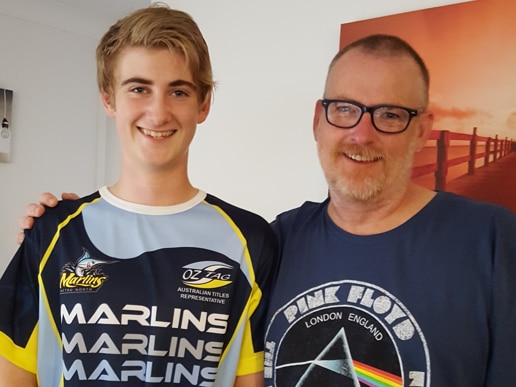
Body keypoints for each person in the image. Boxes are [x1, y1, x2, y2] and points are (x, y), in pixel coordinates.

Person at [13, 34, 516, 386]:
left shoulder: (493, 241)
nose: (362, 134)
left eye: (390, 114)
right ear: (319, 120)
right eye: (345, 109)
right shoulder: (276, 241)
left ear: (423, 130)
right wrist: (65, 224)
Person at [0, 4, 277, 387]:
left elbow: (250, 379)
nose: (158, 112)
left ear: (204, 104)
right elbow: (14, 374)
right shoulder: (53, 232)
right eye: (138, 89)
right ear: (109, 100)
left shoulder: (251, 240)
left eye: (178, 91)